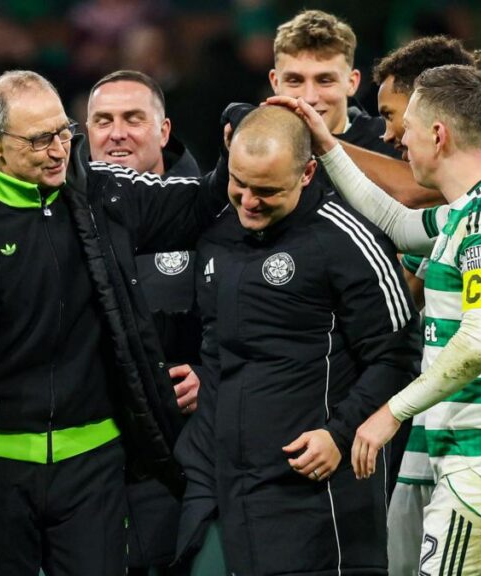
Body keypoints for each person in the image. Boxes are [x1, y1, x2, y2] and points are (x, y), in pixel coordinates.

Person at [0, 70, 227, 576]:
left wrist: (243, 129)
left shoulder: (106, 197)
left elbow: (203, 203)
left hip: (96, 470)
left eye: (64, 131)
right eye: (40, 138)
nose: (59, 149)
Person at [278, 63, 481, 575]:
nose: (399, 141)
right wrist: (327, 147)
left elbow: (478, 342)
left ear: (439, 134)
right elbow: (398, 223)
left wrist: (390, 414)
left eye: (407, 128)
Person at [176, 104, 419, 574]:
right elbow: (223, 347)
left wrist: (340, 433)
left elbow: (398, 355)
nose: (248, 201)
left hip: (318, 492)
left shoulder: (347, 239)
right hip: (227, 486)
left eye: (267, 191)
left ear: (308, 172)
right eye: (238, 184)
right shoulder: (215, 231)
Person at [85, 69, 218, 576]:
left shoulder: (213, 209)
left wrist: (211, 374)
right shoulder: (63, 215)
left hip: (184, 454)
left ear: (164, 131)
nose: (116, 132)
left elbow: (249, 316)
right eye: (103, 120)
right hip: (90, 459)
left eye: (132, 119)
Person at [265, 9, 397, 157]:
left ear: (352, 83)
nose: (309, 98)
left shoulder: (391, 145)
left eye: (325, 81)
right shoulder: (251, 141)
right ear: (275, 82)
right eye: (295, 81)